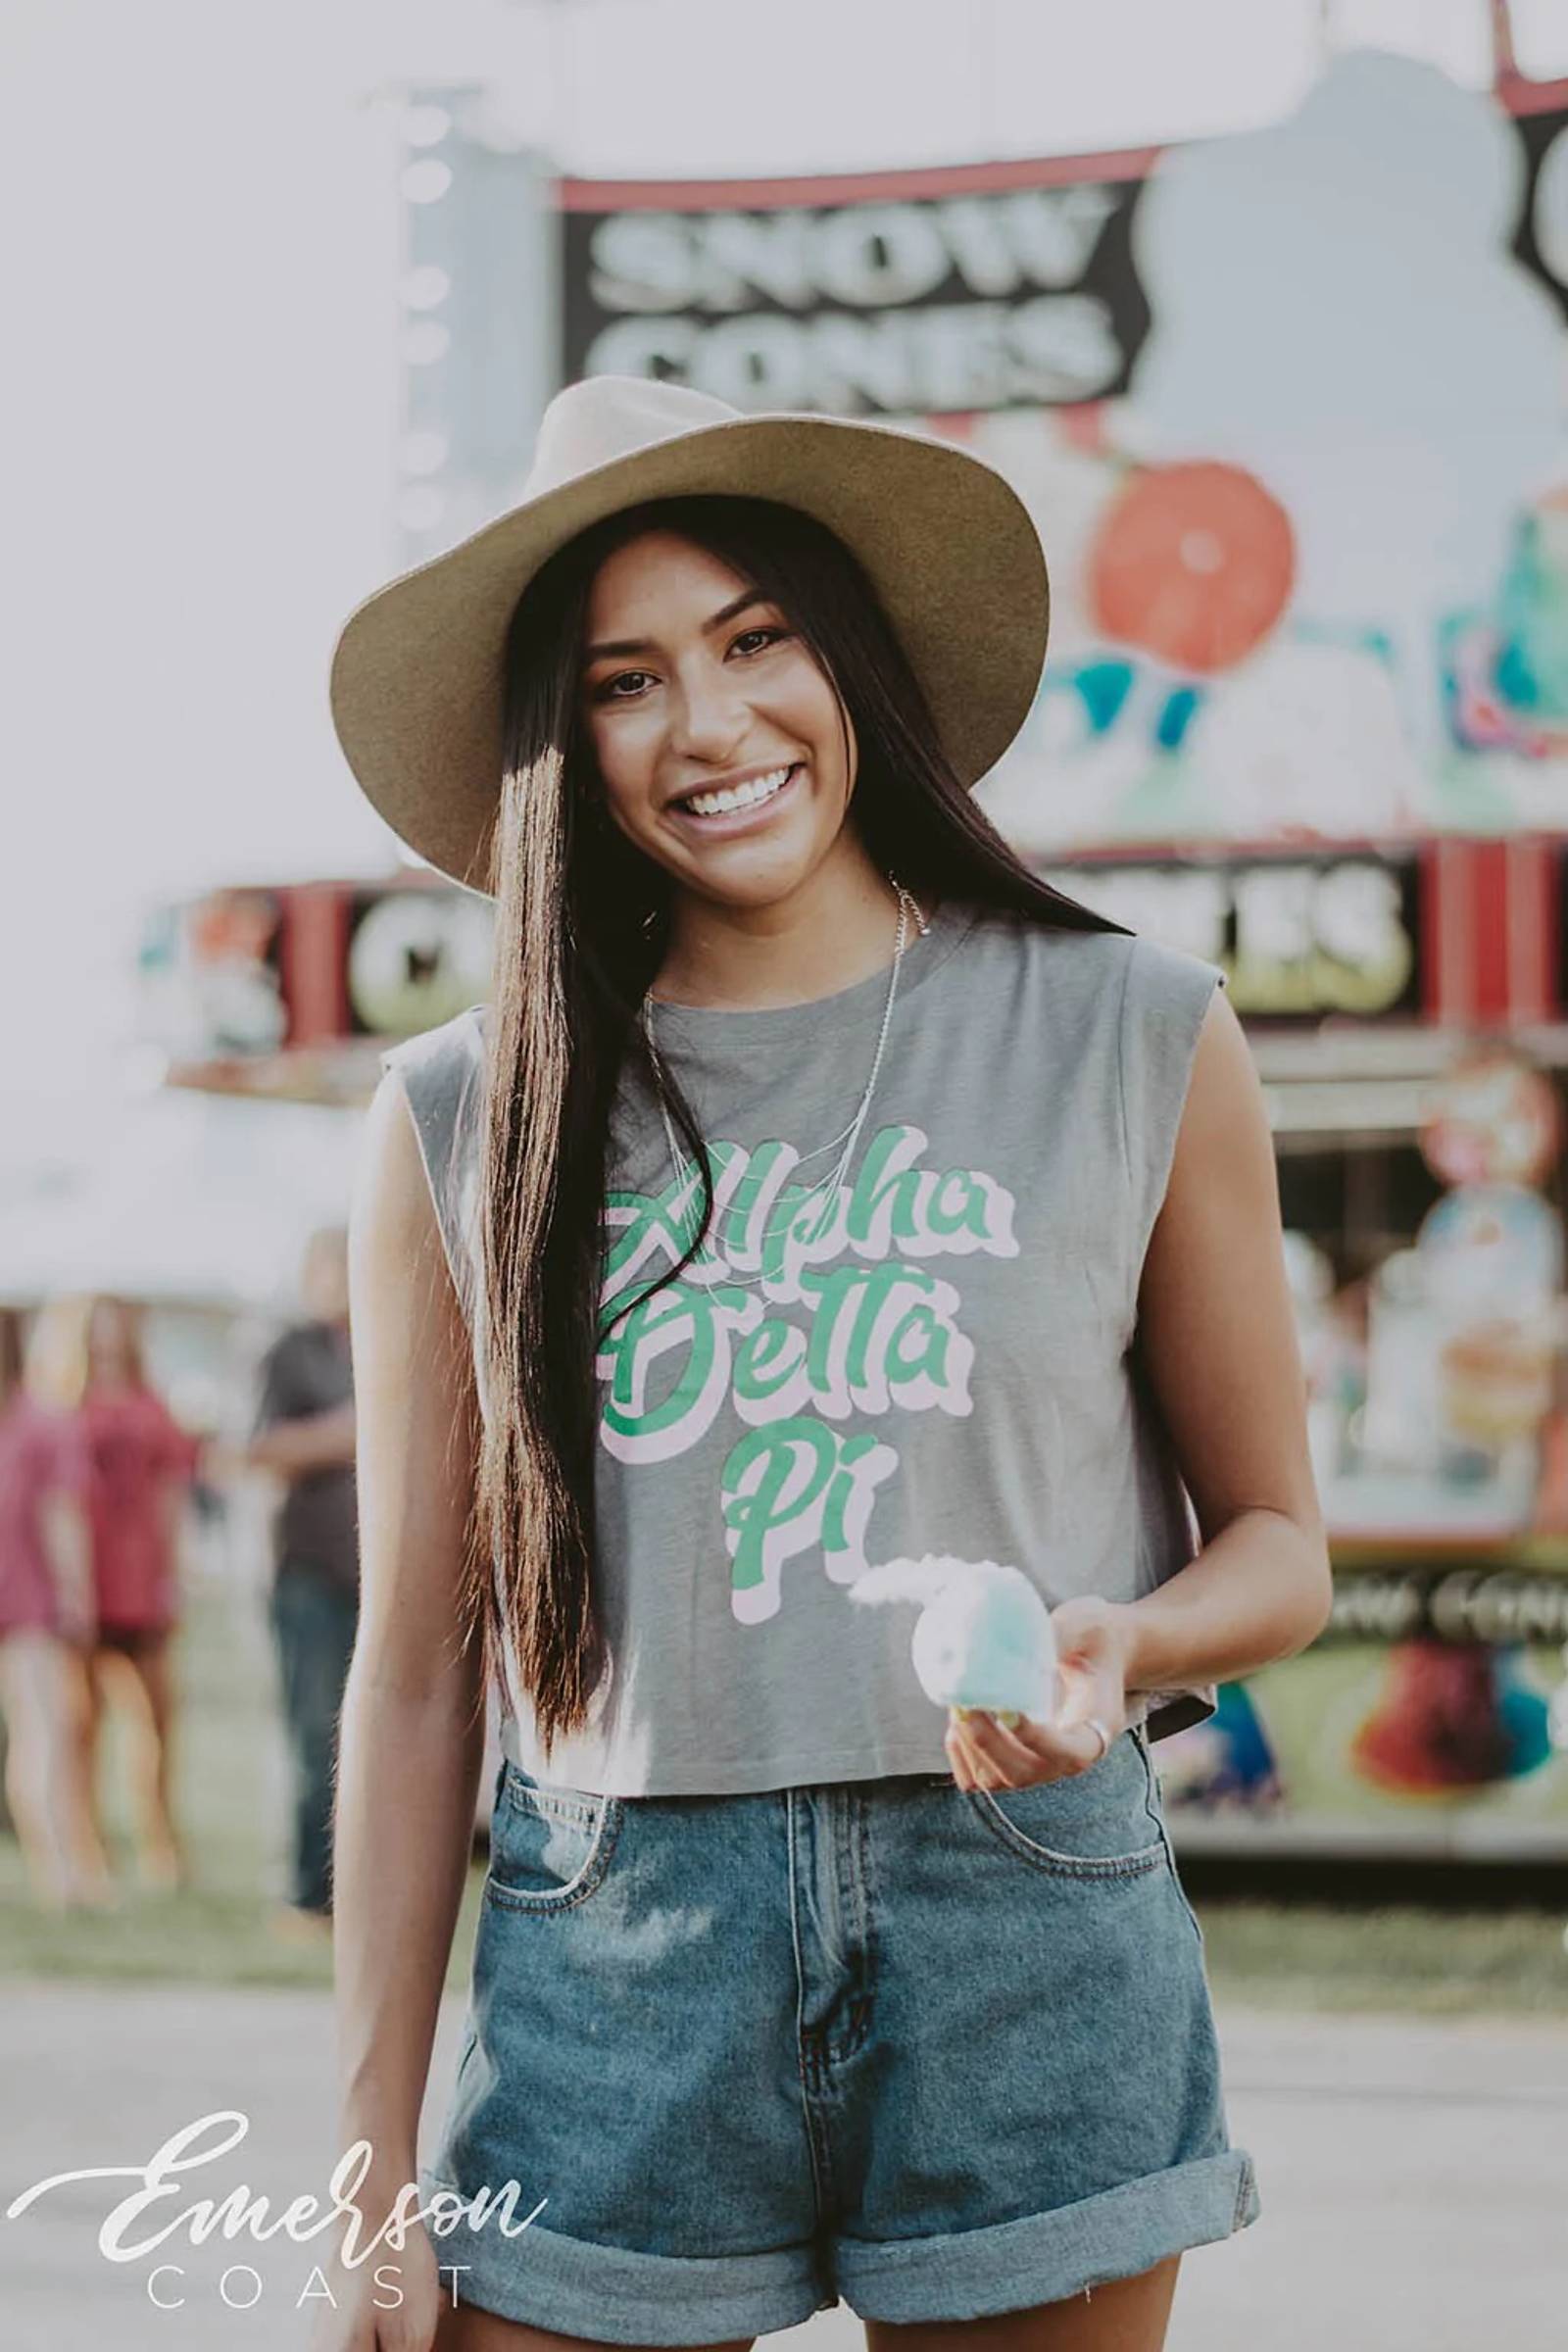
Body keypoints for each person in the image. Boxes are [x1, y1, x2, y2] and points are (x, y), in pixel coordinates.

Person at [319, 376, 1332, 2352]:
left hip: (1022, 1916)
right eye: (623, 682)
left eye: (755, 639)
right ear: (557, 743)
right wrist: (367, 2172)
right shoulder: (461, 1115)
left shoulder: (1129, 1031)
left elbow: (1282, 1544)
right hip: (614, 1950)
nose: (707, 725)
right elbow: (418, 1669)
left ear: (850, 657)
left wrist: (1121, 1645)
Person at [52, 1294, 203, 1891]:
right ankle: (87, 1850)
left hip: (141, 1582)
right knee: (82, 1727)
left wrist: (175, 1574)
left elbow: (172, 1492)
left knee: (158, 1722)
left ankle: (159, 1841)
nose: (106, 1336)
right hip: (85, 1586)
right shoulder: (60, 1404)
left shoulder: (150, 1405)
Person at [247, 1226, 358, 1936]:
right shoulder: (287, 1350)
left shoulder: (383, 1339)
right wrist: (349, 1432)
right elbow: (256, 1448)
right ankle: (305, 1892)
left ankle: (357, 1889)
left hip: (372, 1575)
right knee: (313, 1733)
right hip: (308, 1574)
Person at [0, 1303, 112, 1908]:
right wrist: (77, 1596)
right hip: (28, 1602)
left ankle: (64, 1870)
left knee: (35, 1737)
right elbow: (61, 1517)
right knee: (46, 1734)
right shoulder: (45, 1424)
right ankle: (64, 1876)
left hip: (19, 1598)